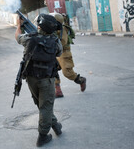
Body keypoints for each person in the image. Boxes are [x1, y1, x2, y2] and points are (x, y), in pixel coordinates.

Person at [15, 13, 63, 147]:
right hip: (46, 80)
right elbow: (59, 52)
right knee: (45, 106)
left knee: (43, 106)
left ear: (40, 26)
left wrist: (18, 25)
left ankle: (55, 126)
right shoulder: (55, 41)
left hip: (31, 79)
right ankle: (42, 137)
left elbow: (17, 37)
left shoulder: (29, 38)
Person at [50, 12, 86, 98]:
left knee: (67, 72)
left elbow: (62, 42)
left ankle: (81, 80)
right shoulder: (51, 29)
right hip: (54, 53)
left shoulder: (63, 29)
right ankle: (58, 90)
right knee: (52, 70)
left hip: (63, 53)